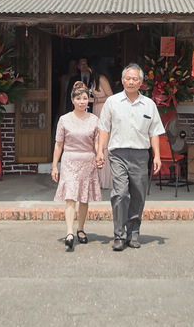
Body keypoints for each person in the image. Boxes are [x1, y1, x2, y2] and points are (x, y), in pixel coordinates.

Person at [95, 62, 165, 251]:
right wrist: (100, 151)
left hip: (141, 155)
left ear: (141, 82)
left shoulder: (149, 104)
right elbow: (104, 128)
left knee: (138, 195)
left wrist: (157, 156)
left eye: (135, 79)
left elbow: (154, 132)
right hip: (118, 154)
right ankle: (119, 235)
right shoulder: (112, 102)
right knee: (119, 194)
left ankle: (133, 234)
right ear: (122, 80)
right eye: (128, 78)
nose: (131, 82)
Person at [51, 82, 102, 248]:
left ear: (89, 100)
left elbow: (96, 143)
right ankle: (69, 232)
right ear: (72, 100)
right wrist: (54, 166)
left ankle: (81, 229)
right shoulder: (64, 120)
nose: (82, 101)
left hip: (87, 160)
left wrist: (99, 155)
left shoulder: (94, 120)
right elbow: (59, 145)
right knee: (70, 197)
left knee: (84, 197)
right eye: (78, 98)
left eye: (85, 98)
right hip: (69, 161)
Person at [87, 61, 114, 190]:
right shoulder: (94, 79)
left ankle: (106, 179)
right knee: (96, 140)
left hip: (102, 108)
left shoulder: (102, 78)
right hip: (96, 109)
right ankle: (97, 178)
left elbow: (110, 96)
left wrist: (94, 100)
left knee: (103, 141)